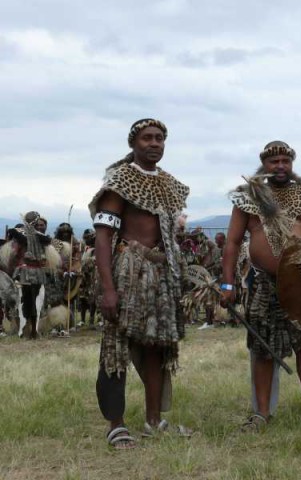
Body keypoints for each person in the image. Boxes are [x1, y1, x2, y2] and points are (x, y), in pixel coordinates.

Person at [221, 140, 301, 431]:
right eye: (274, 161)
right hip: (264, 282)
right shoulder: (248, 198)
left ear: (292, 164)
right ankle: (261, 414)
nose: (280, 166)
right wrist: (227, 284)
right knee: (262, 347)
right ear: (264, 164)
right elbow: (233, 242)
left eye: (285, 161)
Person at [89, 118, 190, 449]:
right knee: (116, 347)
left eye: (160, 138)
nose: (154, 143)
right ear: (133, 143)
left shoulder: (170, 185)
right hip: (127, 271)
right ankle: (115, 425)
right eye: (147, 138)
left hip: (161, 275)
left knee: (157, 348)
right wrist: (108, 288)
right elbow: (103, 238)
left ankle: (153, 420)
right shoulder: (120, 182)